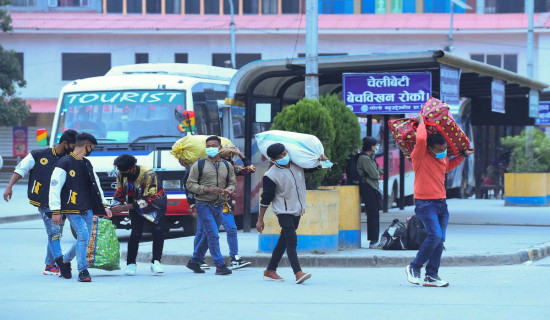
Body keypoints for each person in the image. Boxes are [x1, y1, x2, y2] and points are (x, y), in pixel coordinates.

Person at [405, 115, 474, 287]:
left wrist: (462, 156)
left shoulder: (441, 157)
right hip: (425, 204)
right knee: (434, 235)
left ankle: (431, 276)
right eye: (439, 148)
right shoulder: (419, 156)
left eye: (444, 147)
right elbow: (420, 138)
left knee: (440, 240)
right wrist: (421, 123)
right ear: (430, 147)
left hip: (441, 204)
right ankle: (414, 267)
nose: (443, 150)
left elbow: (446, 168)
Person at [3, 129, 77, 276]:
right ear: (65, 143)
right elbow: (21, 169)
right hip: (44, 201)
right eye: (73, 145)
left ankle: (49, 265)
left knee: (56, 232)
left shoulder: (71, 159)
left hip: (62, 203)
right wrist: (9, 186)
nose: (75, 149)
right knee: (54, 233)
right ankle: (59, 262)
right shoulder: (38, 154)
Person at [256, 143, 327, 284]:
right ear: (274, 160)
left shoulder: (296, 165)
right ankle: (298, 273)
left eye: (284, 153)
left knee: (284, 240)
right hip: (284, 211)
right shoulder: (271, 175)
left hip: (297, 210)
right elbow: (266, 199)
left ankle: (270, 270)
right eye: (280, 156)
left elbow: (311, 169)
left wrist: (320, 161)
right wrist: (260, 219)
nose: (284, 156)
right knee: (291, 241)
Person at [48, 132, 112, 282]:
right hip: (72, 208)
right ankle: (83, 271)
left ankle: (64, 260)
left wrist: (104, 205)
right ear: (87, 146)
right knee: (83, 235)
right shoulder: (64, 162)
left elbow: (97, 185)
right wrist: (55, 211)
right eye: (92, 147)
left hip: (87, 207)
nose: (92, 150)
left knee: (85, 238)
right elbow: (54, 188)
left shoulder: (87, 163)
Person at [195, 145, 254, 270]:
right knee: (203, 232)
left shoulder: (229, 166)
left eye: (231, 155)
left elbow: (250, 169)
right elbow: (190, 183)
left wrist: (242, 155)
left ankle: (235, 258)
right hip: (206, 204)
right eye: (226, 155)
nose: (228, 157)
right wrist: (192, 202)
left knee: (232, 229)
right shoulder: (203, 165)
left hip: (224, 204)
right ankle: (198, 259)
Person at [185, 136, 237, 276]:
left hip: (219, 204)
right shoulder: (199, 164)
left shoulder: (227, 165)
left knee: (208, 235)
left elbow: (232, 182)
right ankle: (220, 265)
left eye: (214, 145)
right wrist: (207, 189)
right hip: (203, 204)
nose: (211, 148)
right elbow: (190, 184)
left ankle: (194, 261)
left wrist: (229, 189)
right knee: (213, 235)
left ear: (220, 148)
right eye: (208, 146)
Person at [111, 154, 167, 276]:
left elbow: (150, 198)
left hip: (155, 205)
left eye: (125, 171)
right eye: (120, 171)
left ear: (132, 167)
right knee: (135, 233)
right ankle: (131, 264)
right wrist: (114, 207)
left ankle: (156, 262)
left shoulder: (148, 174)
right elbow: (120, 192)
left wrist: (125, 207)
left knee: (158, 231)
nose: (122, 174)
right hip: (134, 204)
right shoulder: (121, 174)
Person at [357, 136, 384, 249]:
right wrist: (377, 172)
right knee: (372, 215)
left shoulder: (370, 157)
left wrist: (378, 172)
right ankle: (373, 242)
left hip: (373, 187)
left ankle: (375, 240)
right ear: (371, 146)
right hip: (368, 187)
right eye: (376, 145)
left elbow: (379, 171)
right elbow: (375, 174)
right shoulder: (365, 159)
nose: (377, 147)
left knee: (375, 214)